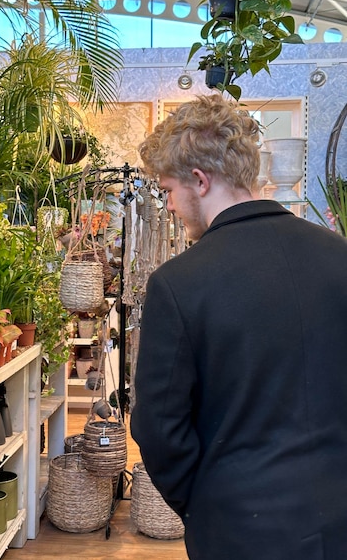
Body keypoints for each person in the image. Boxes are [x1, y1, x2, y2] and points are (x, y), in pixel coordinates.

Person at [130, 93, 347, 560]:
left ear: (200, 181)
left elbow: (158, 427)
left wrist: (206, 501)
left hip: (240, 528)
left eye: (168, 191)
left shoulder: (177, 284)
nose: (168, 206)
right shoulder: (340, 257)